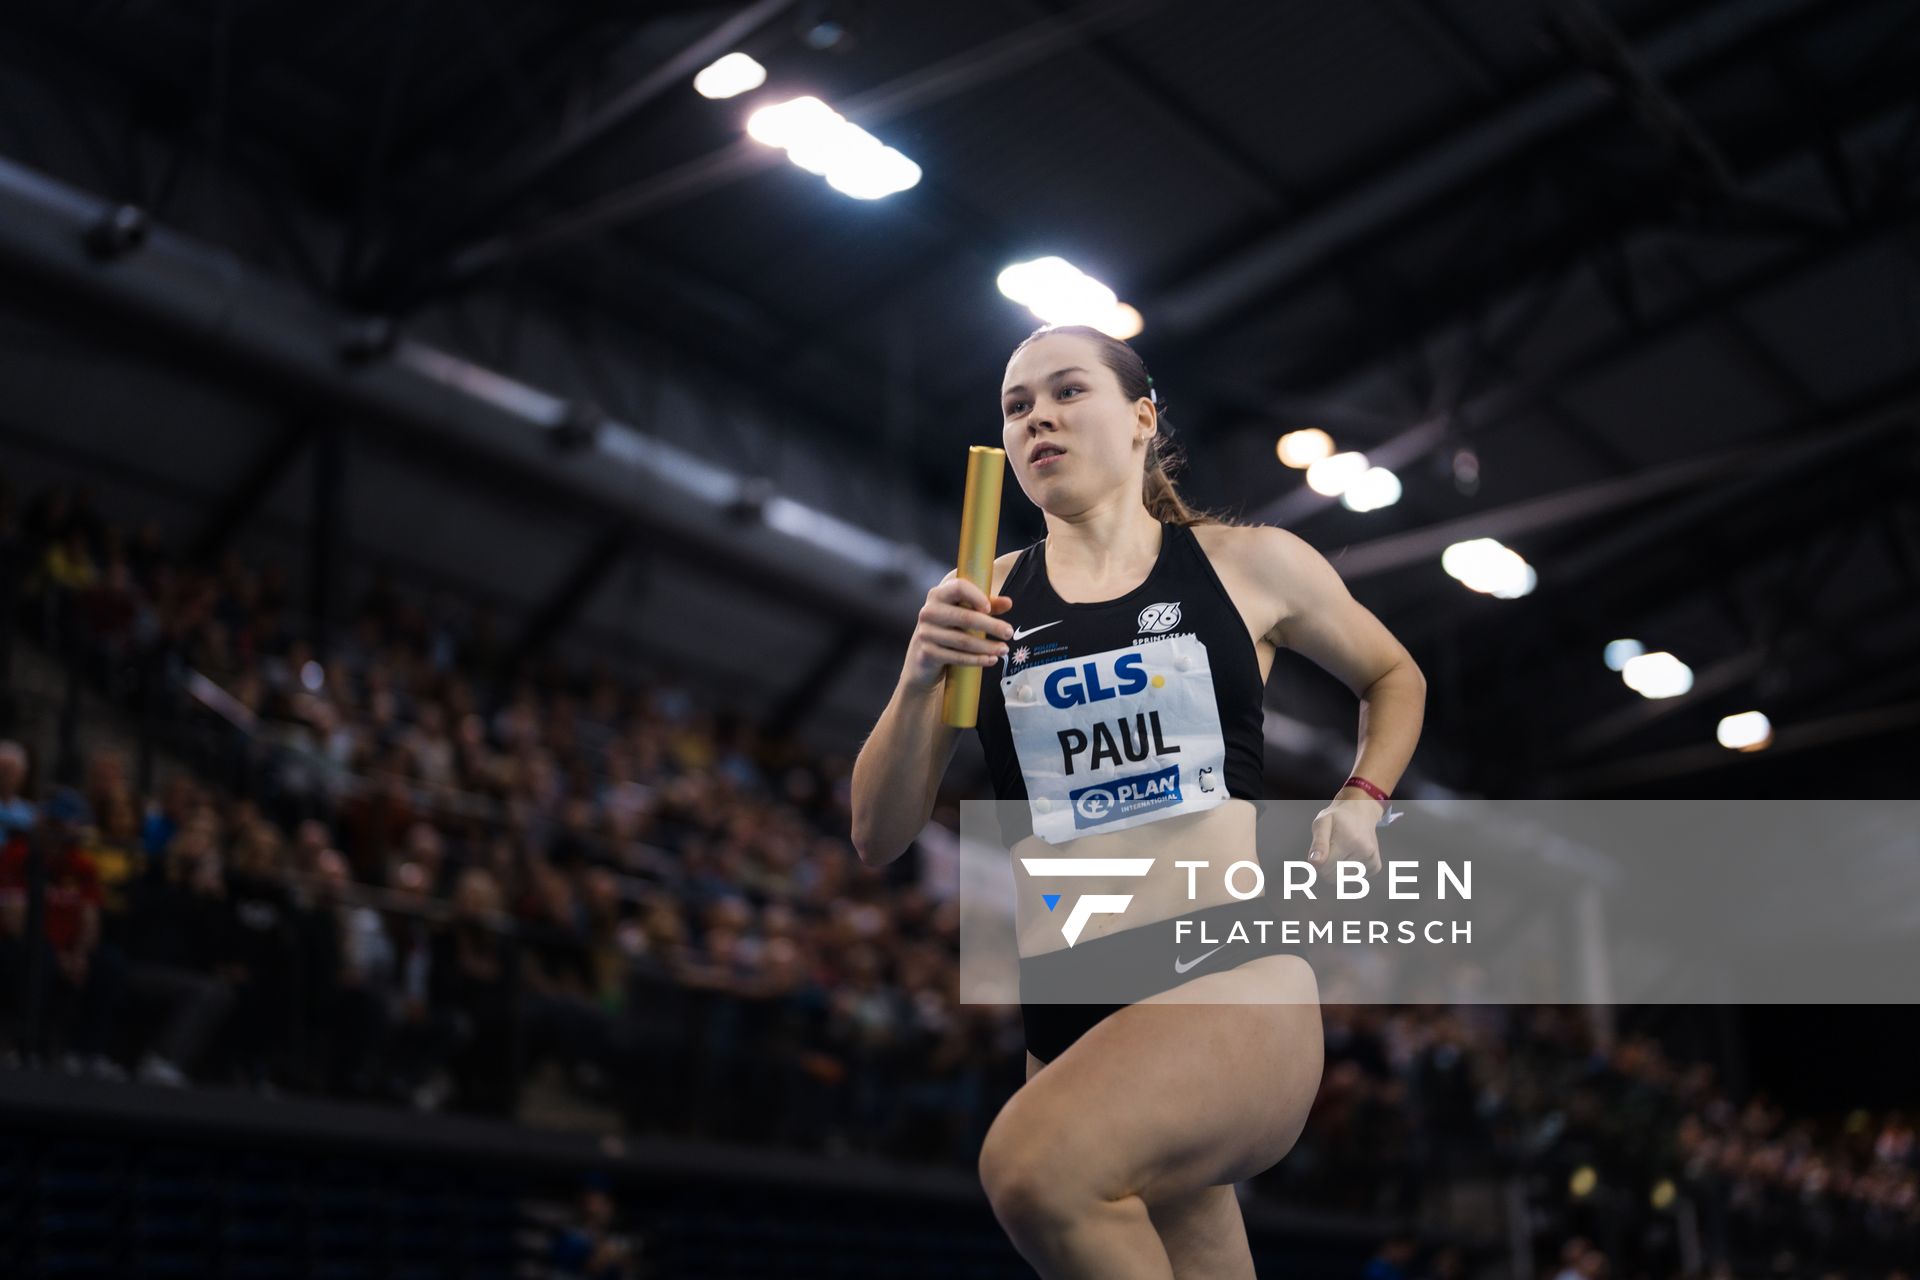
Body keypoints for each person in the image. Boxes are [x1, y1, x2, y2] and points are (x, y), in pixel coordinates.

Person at [850, 324, 1426, 1278]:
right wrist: (919, 675)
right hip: (1069, 1011)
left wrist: (1361, 797)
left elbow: (1393, 673)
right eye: (1017, 405)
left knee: (1035, 1169)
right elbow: (876, 834)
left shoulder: (1249, 565)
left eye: (1068, 392)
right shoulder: (981, 601)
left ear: (1142, 419)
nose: (1039, 416)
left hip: (1224, 976)